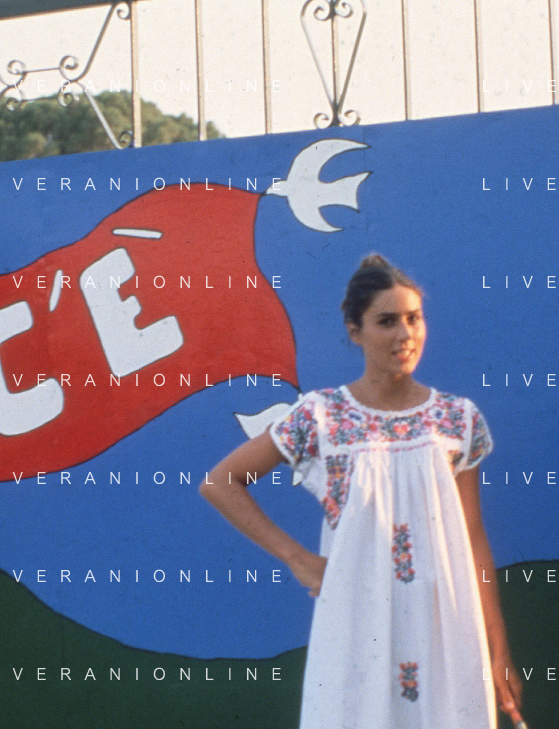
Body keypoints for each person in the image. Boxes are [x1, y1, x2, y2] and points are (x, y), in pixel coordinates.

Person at [200, 254, 524, 729]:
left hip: (445, 622)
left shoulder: (457, 419)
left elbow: (473, 536)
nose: (405, 334)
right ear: (355, 331)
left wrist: (497, 648)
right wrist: (296, 558)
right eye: (386, 321)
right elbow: (220, 482)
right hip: (357, 618)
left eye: (414, 319)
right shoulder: (322, 416)